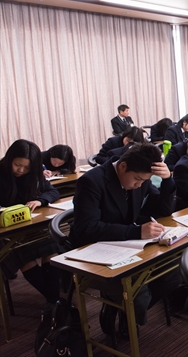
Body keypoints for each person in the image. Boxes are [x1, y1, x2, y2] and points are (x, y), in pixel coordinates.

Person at [70, 143, 180, 334]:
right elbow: (86, 228)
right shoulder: (91, 181)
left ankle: (124, 311)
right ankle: (127, 313)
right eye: (137, 179)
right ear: (122, 166)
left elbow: (163, 210)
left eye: (144, 181)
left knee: (174, 273)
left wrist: (168, 180)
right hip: (95, 251)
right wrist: (136, 232)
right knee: (138, 295)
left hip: (126, 246)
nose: (139, 185)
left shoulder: (140, 178)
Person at [0, 139, 62, 304]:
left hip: (29, 226)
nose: (21, 170)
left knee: (52, 247)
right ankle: (56, 302)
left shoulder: (34, 174)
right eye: (17, 165)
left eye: (26, 167)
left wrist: (40, 200)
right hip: (6, 232)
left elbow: (53, 192)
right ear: (9, 158)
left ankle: (55, 302)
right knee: (23, 256)